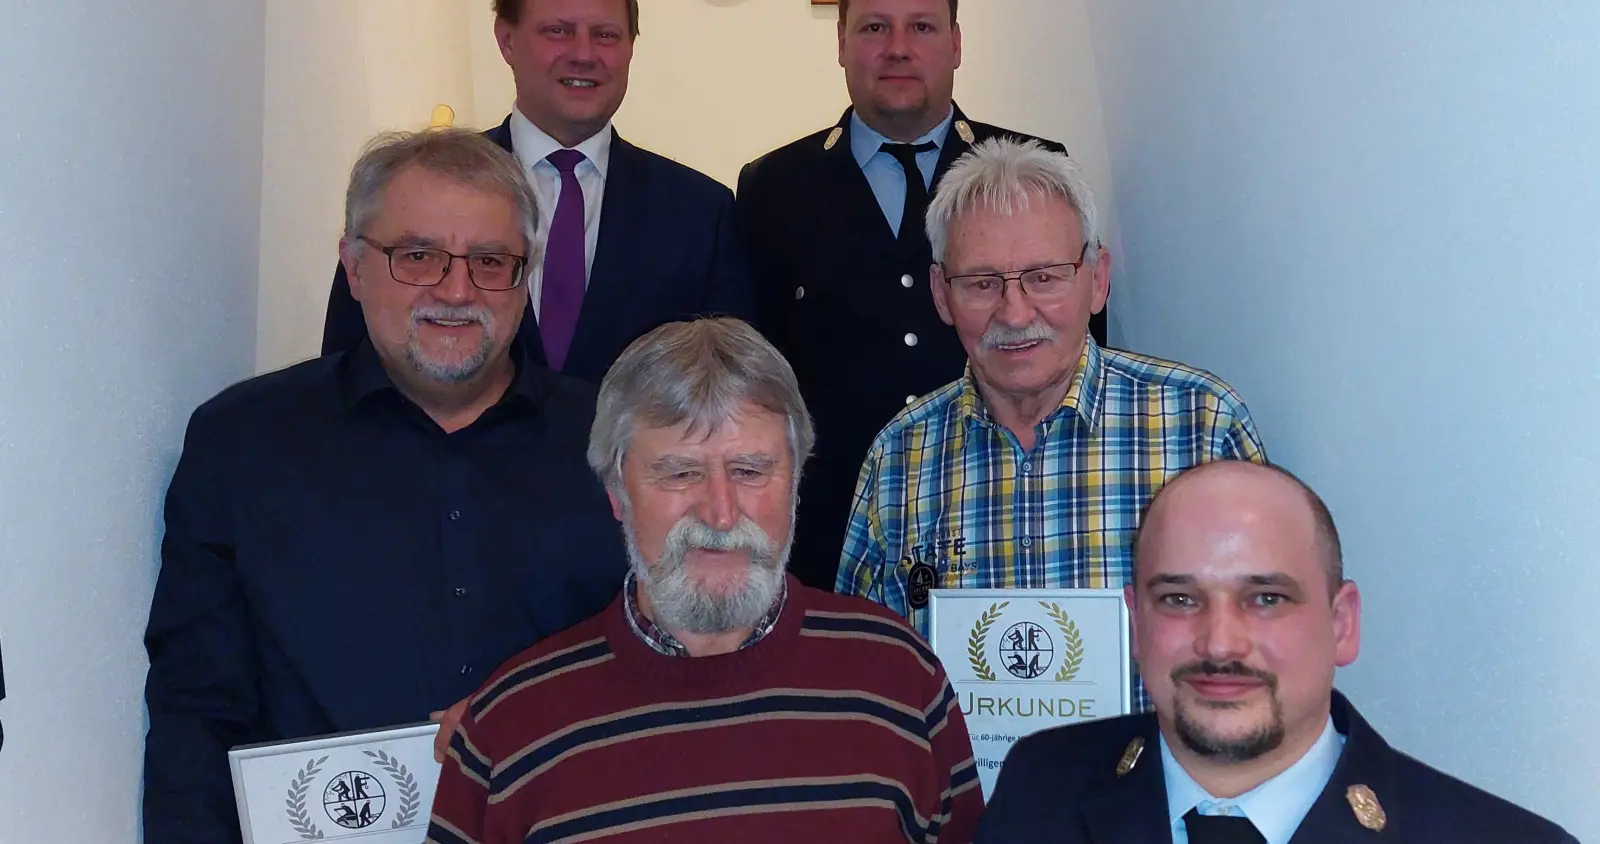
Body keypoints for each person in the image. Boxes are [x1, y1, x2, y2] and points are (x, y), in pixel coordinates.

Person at [142, 128, 626, 844]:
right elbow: (197, 707)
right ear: (354, 266)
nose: (456, 291)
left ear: (525, 277)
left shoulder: (619, 443)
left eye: (490, 261)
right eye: (418, 256)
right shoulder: (242, 444)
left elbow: (672, 659)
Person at [425, 318, 983, 844]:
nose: (720, 513)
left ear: (795, 481)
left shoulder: (900, 679)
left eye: (750, 471)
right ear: (617, 492)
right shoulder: (508, 727)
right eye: (680, 473)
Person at [837, 137, 1265, 712]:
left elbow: (1266, 646)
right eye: (982, 283)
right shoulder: (899, 457)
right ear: (941, 294)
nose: (1015, 313)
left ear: (1098, 278)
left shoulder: (1200, 427)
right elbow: (863, 678)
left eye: (1043, 277)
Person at [735, 0, 1106, 590]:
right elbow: (756, 381)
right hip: (834, 541)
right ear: (841, 43)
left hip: (1006, 518)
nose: (898, 48)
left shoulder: (1033, 168)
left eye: (922, 27)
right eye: (875, 27)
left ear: (957, 43)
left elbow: (1080, 349)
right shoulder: (775, 187)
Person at [976, 460, 1578, 843]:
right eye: (1180, 599)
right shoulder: (1041, 786)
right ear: (1137, 623)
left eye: (1266, 599)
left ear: (1341, 624)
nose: (1219, 643)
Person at [321, 0, 753, 383]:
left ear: (630, 48)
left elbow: (729, 388)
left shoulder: (701, 214)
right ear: (506, 39)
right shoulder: (407, 194)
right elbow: (346, 375)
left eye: (605, 35)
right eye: (558, 31)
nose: (584, 54)